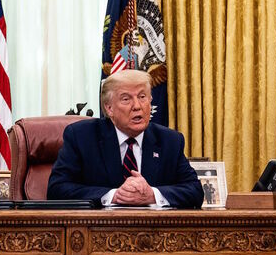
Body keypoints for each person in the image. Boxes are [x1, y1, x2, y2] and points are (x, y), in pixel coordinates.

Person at [47, 69, 203, 208]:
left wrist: (153, 195)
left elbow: (195, 191)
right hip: (100, 228)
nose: (137, 106)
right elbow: (57, 189)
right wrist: (114, 196)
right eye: (126, 99)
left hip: (153, 228)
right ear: (109, 108)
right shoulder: (82, 137)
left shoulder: (170, 141)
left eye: (142, 97)